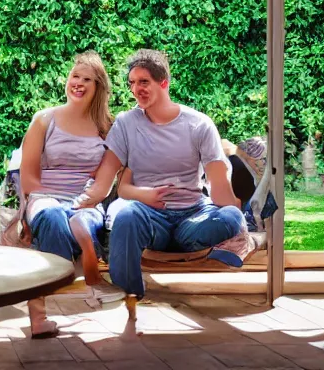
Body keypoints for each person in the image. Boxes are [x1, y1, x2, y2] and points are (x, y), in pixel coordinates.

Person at [99, 49, 246, 301]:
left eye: (144, 82)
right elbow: (113, 178)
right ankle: (129, 295)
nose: (136, 89)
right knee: (125, 216)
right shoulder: (127, 123)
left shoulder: (198, 124)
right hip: (150, 216)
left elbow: (217, 182)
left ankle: (194, 241)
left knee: (231, 216)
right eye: (132, 83)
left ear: (164, 82)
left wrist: (236, 214)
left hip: (193, 216)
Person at [19, 51, 125, 338]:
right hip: (45, 197)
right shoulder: (44, 119)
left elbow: (105, 181)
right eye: (74, 76)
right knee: (53, 215)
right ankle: (82, 269)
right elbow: (28, 177)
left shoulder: (108, 128)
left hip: (85, 200)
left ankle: (40, 312)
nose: (78, 83)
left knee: (79, 220)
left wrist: (84, 201)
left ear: (98, 86)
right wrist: (49, 201)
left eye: (87, 79)